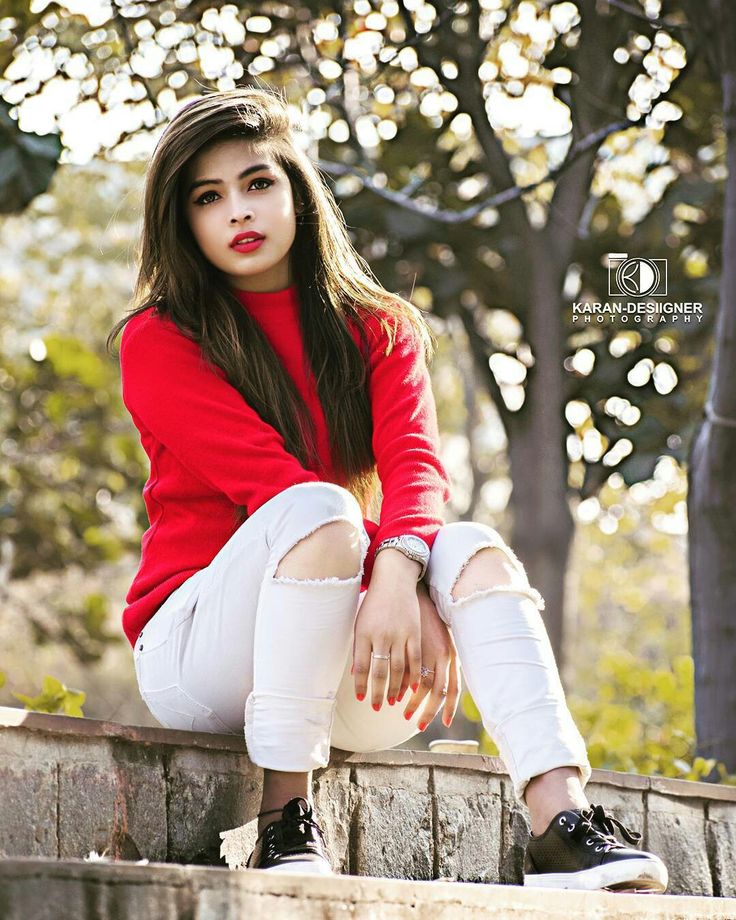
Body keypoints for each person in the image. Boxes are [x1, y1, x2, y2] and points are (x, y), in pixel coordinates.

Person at [108, 85, 668, 893]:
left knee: (472, 547)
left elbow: (416, 467)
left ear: (297, 191)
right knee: (321, 508)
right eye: (209, 196)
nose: (239, 210)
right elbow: (272, 487)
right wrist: (398, 577)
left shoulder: (380, 327)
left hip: (347, 659)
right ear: (184, 220)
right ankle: (283, 820)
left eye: (258, 183)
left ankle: (562, 821)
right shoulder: (161, 340)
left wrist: (410, 578)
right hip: (201, 651)